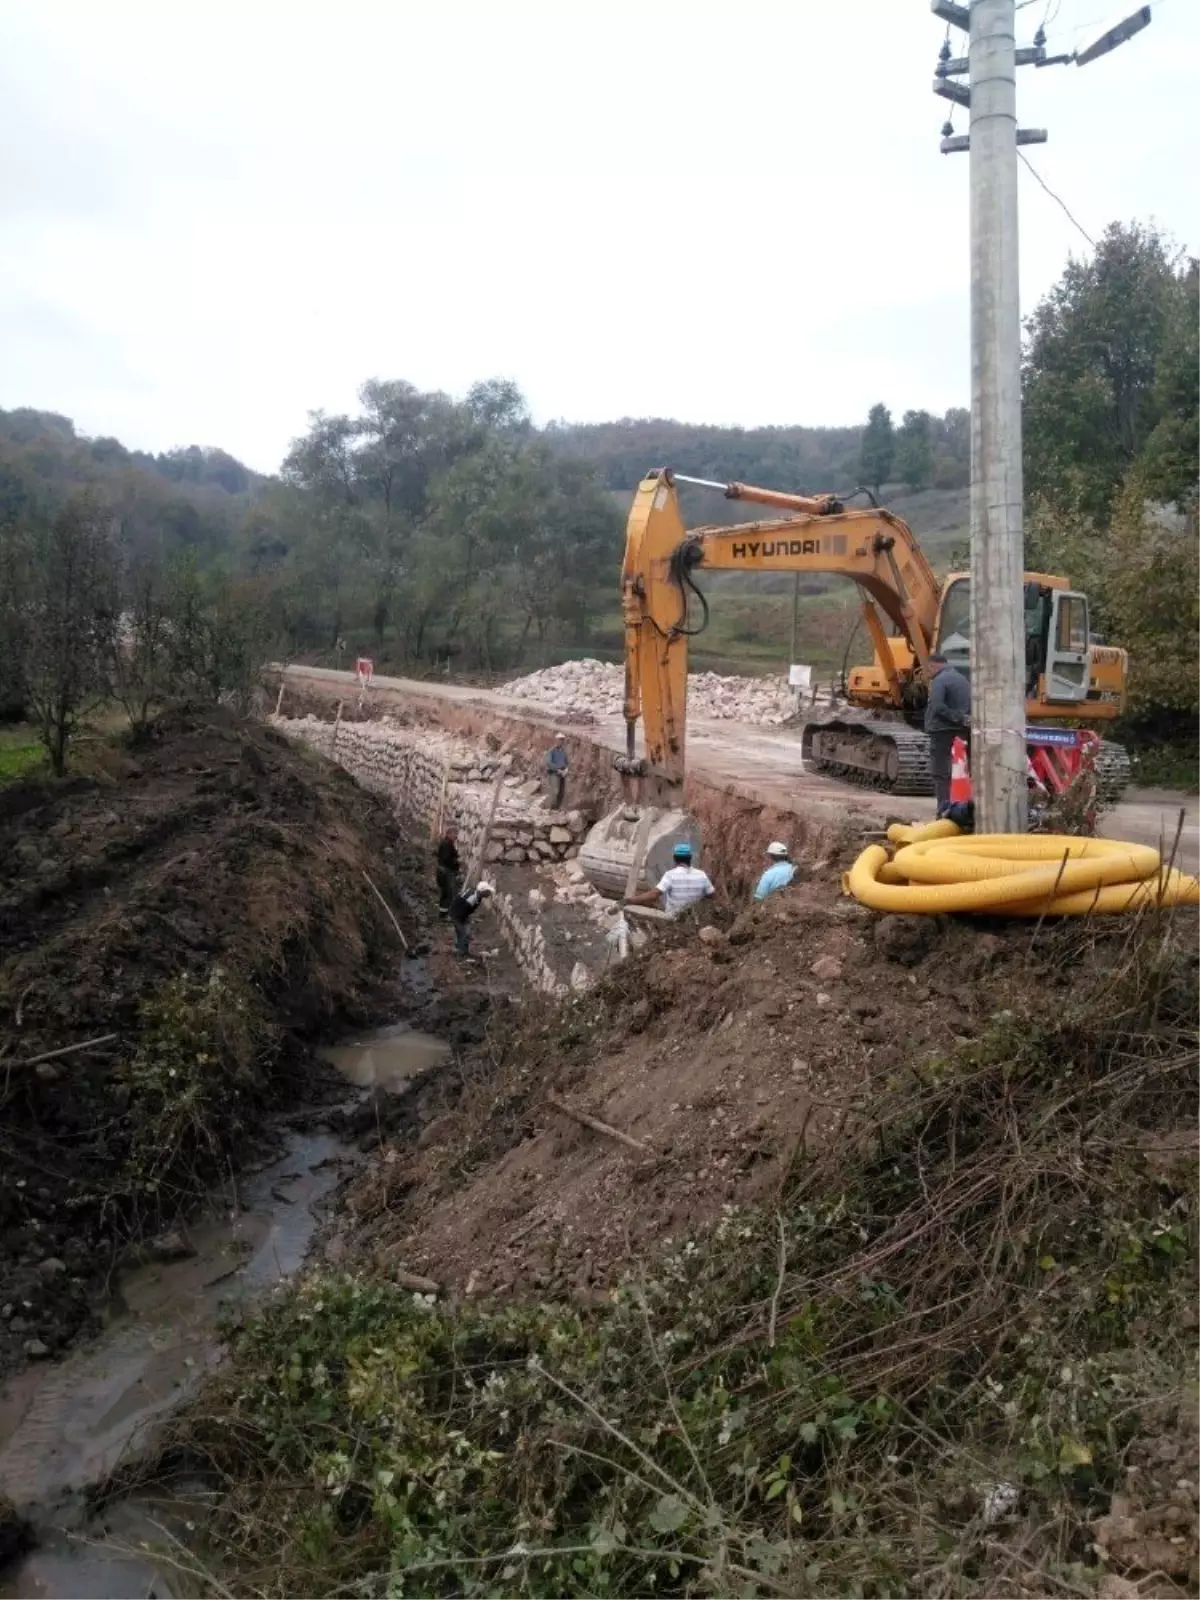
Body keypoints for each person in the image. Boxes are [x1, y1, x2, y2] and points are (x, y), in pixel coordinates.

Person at [925, 652, 972, 815]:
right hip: (962, 731)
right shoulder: (963, 679)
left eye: (928, 669)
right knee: (966, 770)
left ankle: (943, 810)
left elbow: (937, 706)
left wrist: (955, 717)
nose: (927, 673)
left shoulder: (939, 681)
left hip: (942, 731)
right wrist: (962, 720)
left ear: (933, 665)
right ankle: (966, 809)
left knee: (940, 774)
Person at [626, 842, 715, 918]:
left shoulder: (670, 875)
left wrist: (630, 900)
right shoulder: (701, 875)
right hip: (694, 920)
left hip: (673, 920)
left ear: (674, 858)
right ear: (690, 858)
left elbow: (654, 895)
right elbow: (711, 895)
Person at [449, 880, 494, 958]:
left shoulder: (477, 895)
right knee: (463, 933)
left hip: (461, 911)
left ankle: (463, 949)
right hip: (456, 913)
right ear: (482, 892)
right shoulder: (471, 899)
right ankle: (460, 953)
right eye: (487, 892)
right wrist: (463, 923)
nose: (489, 894)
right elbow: (461, 913)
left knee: (466, 931)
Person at [435, 825, 460, 915]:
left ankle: (444, 912)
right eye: (455, 834)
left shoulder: (447, 843)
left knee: (446, 893)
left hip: (444, 872)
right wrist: (455, 862)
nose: (456, 836)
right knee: (448, 893)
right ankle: (444, 914)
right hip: (446, 873)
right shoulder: (447, 844)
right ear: (449, 834)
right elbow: (447, 859)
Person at [546, 734, 569, 810]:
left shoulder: (563, 751)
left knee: (561, 792)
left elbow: (566, 762)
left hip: (562, 774)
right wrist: (557, 770)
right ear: (556, 741)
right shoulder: (551, 751)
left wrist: (566, 770)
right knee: (555, 791)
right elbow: (549, 763)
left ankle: (557, 808)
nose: (561, 742)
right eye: (559, 740)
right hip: (554, 774)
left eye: (562, 740)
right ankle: (552, 808)